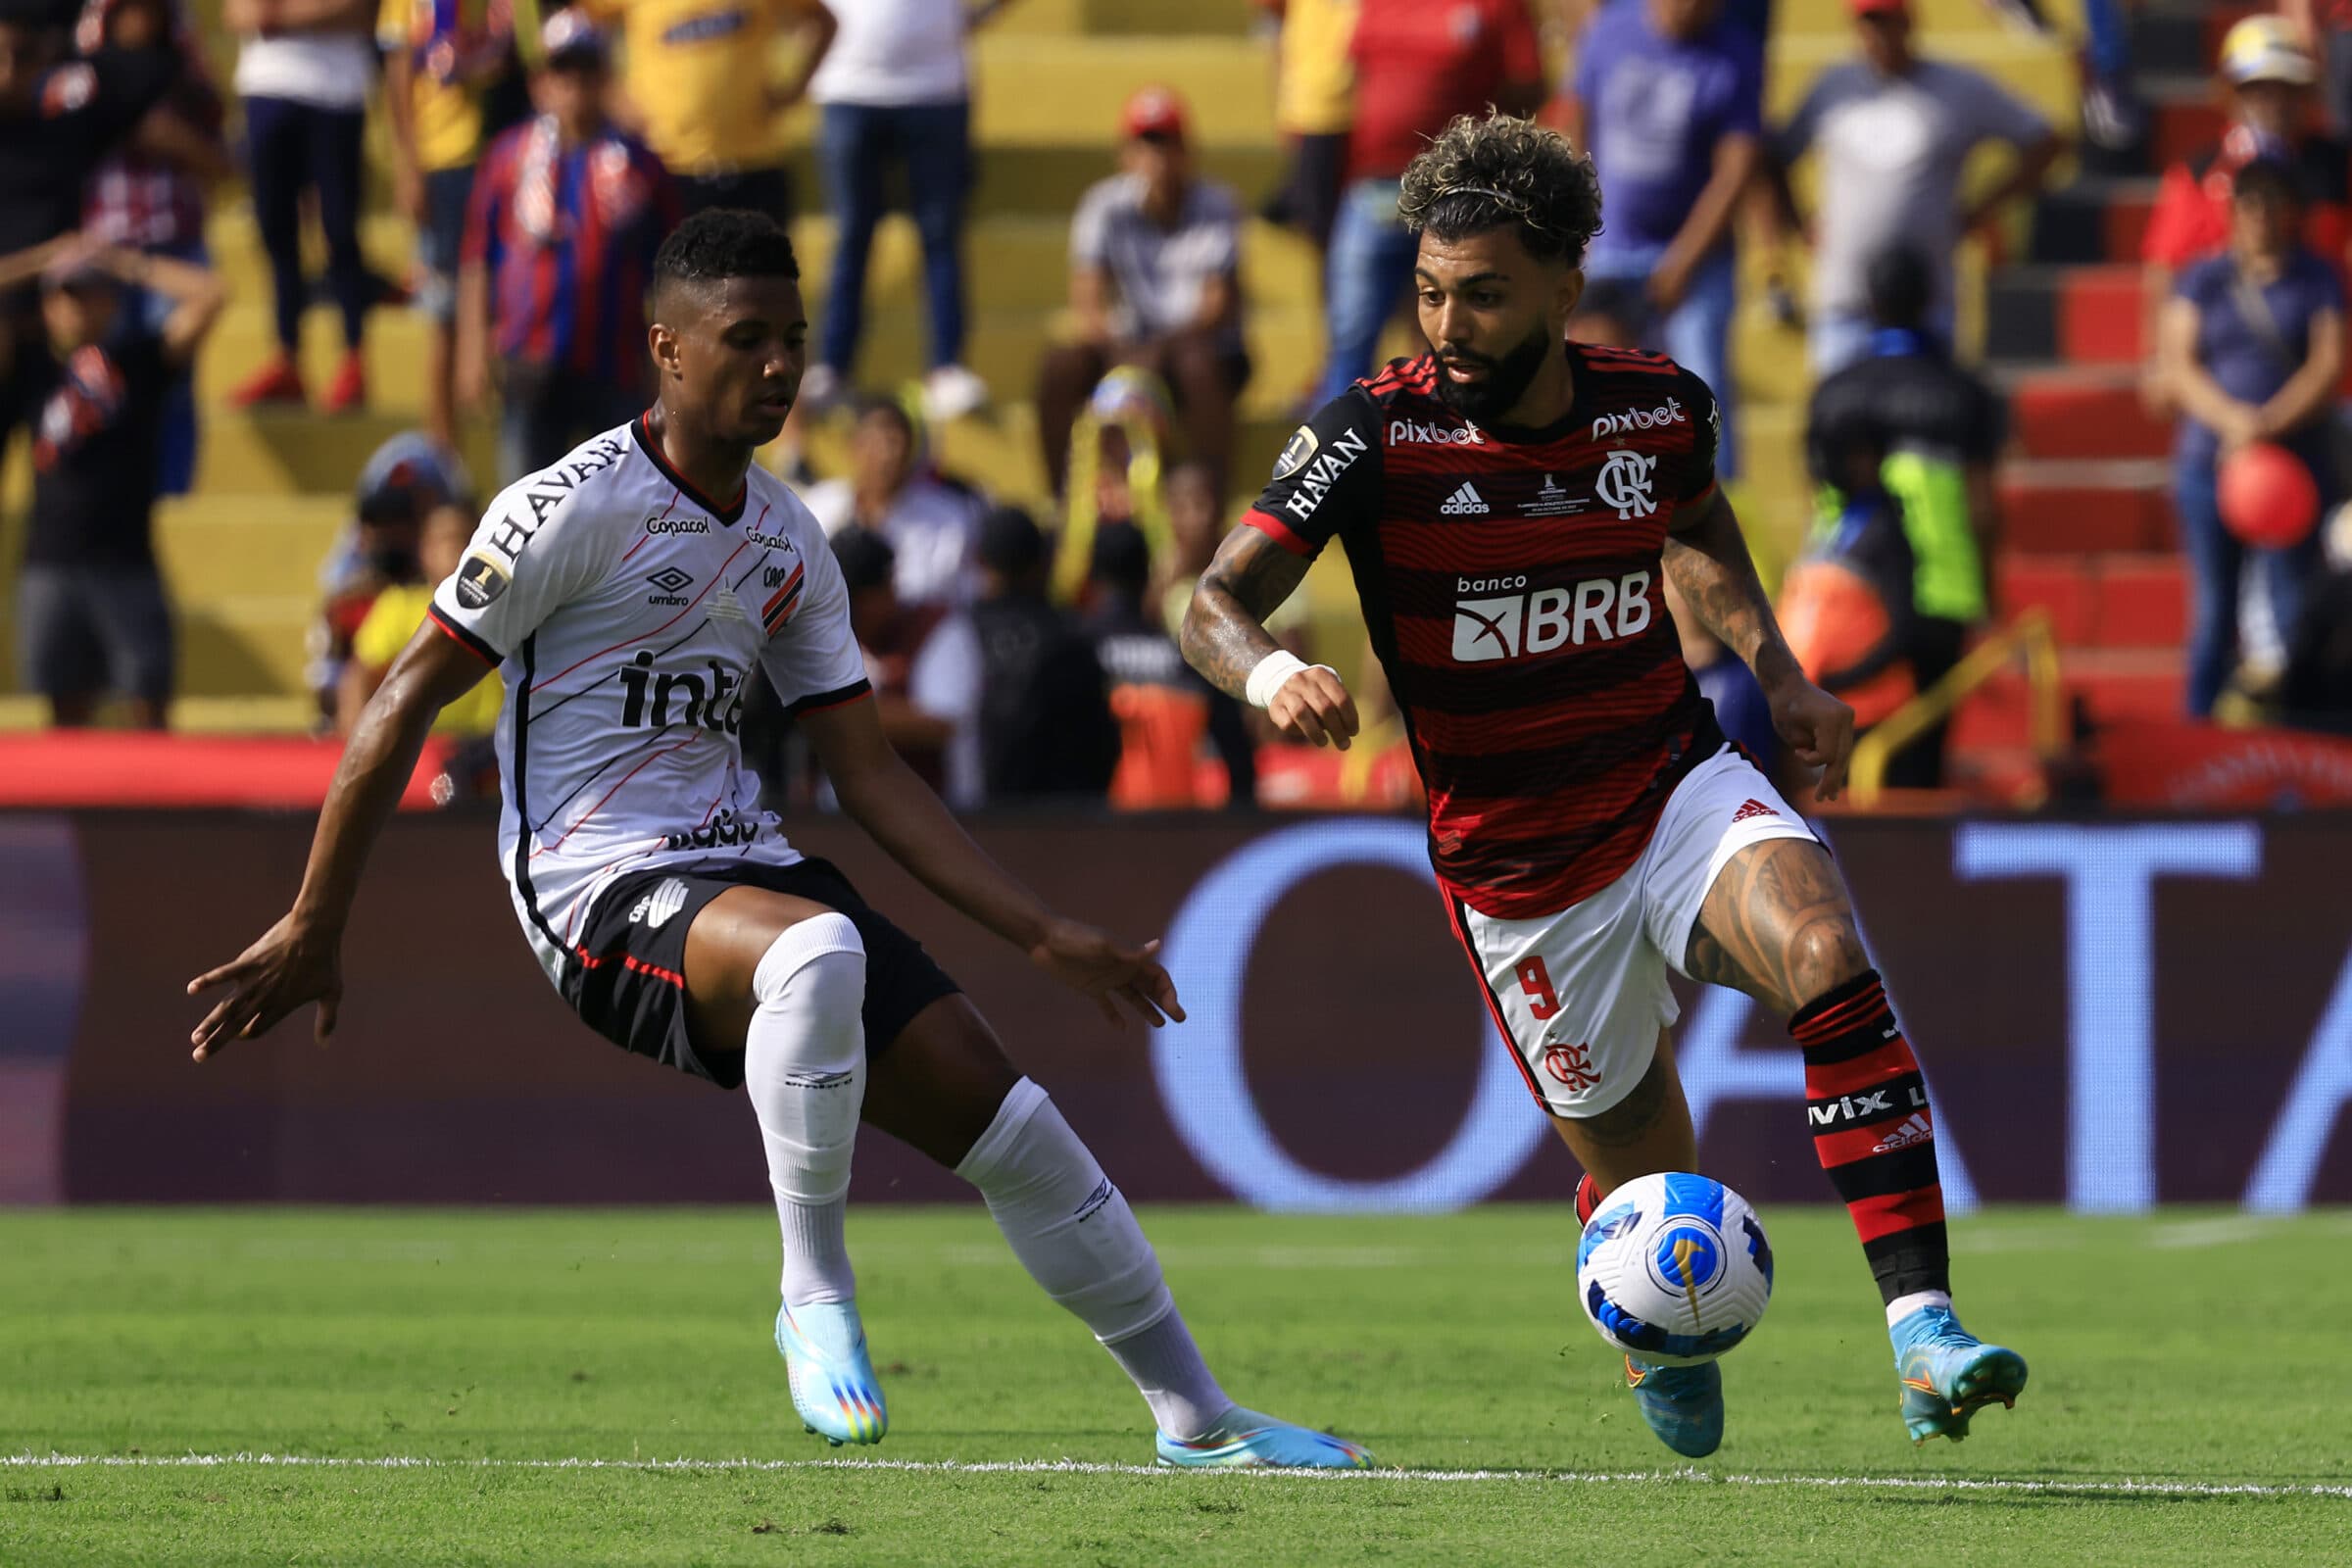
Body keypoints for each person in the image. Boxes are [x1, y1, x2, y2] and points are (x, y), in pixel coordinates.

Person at [187, 207, 1366, 1471]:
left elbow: (870, 774)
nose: (778, 366)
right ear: (668, 351)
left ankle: (1197, 1419)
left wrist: (1045, 933)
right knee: (817, 959)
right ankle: (813, 1294)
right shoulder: (566, 508)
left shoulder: (787, 538)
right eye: (743, 338)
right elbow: (402, 699)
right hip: (593, 890)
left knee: (1016, 1124)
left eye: (792, 339)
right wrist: (317, 918)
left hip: (738, 865)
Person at [1182, 111, 2026, 1458]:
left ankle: (1923, 1332)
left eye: (1484, 296)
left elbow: (1689, 523)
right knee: (1657, 1202)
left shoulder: (1656, 407)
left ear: (1566, 286)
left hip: (1671, 785)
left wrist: (1783, 671)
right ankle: (1657, 1331)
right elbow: (1210, 597)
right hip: (1522, 875)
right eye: (1431, 294)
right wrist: (1267, 670)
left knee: (1820, 939)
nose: (1448, 326)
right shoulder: (1370, 439)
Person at [1801, 245, 2005, 785]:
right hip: (1941, 594)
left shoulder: (1833, 389)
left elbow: (1817, 499)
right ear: (1931, 300)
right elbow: (1982, 505)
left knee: (1848, 752)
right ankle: (1914, 860)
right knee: (1921, 754)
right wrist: (1989, 595)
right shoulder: (1964, 391)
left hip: (1850, 590)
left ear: (1868, 302)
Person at [1771, 0, 2063, 374]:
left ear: (1908, 23)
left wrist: (1981, 209)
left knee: (1929, 423)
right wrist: (1799, 224)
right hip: (1845, 302)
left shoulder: (1958, 87)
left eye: (1887, 23)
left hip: (1929, 304)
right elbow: (1774, 159)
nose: (1878, 36)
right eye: (1869, 25)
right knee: (1842, 421)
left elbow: (2044, 141)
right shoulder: (1833, 86)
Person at [4, 233, 223, 727]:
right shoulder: (31, 369)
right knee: (64, 721)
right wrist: (41, 258)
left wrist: (126, 264)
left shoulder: (140, 361)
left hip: (128, 564)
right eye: (66, 294)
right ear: (48, 306)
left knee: (149, 708)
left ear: (112, 300)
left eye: (91, 291)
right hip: (51, 564)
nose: (79, 306)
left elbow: (212, 295)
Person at [458, 10, 680, 485]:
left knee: (619, 507)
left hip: (614, 361)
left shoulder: (640, 164)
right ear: (541, 81)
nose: (575, 84)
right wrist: (473, 350)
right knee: (528, 508)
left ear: (605, 78)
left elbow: (672, 268)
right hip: (529, 363)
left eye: (586, 70)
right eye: (563, 71)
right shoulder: (509, 158)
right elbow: (478, 258)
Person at [2161, 157, 2343, 719]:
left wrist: (2268, 425)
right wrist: (2233, 422)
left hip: (2293, 460)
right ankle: (2196, 734)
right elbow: (2178, 362)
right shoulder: (2204, 277)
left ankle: (2297, 728)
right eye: (2250, 202)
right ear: (2233, 210)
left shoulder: (2317, 277)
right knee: (2214, 607)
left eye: (2273, 201)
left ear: (2292, 212)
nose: (2261, 214)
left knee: (2295, 602)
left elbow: (2327, 363)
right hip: (2211, 462)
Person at [1562, 0, 1763, 481]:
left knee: (1703, 387)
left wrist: (1685, 260)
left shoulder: (1735, 52)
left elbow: (1736, 169)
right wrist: (1579, 224)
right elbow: (1574, 123)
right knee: (1582, 384)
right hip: (1608, 248)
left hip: (1697, 261)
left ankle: (1721, 517)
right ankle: (1581, 502)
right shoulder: (1610, 31)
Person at [1314, 0, 1543, 404]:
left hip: (1457, 195)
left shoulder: (1498, 6)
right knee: (1350, 334)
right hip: (1373, 192)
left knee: (1452, 336)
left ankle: (1453, 451)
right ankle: (1337, 455)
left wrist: (1480, 162)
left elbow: (1527, 85)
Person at [1036, 86, 1249, 499]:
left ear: (1187, 152)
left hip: (1195, 347)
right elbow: (1087, 300)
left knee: (1197, 364)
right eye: (1146, 144)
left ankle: (1210, 503)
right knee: (1060, 366)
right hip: (1129, 344)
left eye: (1166, 143)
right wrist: (1124, 351)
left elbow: (1216, 307)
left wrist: (1152, 352)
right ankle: (1063, 500)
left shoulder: (1218, 204)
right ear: (1125, 155)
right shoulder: (1103, 205)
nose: (1157, 158)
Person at [2141, 16, 2347, 414]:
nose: (2274, 102)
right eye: (2258, 90)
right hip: (2228, 373)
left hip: (2327, 366)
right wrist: (2158, 360)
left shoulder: (2336, 167)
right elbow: (2165, 270)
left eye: (2287, 89)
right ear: (2229, 94)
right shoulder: (2198, 174)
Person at [0, 0, 178, 457]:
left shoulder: (65, 124)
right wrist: (48, 257)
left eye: (19, 55)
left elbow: (147, 71)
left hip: (58, 345)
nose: (6, 71)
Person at [804, 0, 994, 423]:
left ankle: (946, 365)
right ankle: (833, 365)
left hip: (935, 86)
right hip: (848, 83)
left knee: (940, 232)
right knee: (853, 232)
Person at [74, 0, 227, 499]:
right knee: (99, 376)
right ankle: (102, 492)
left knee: (174, 385)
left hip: (175, 248)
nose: (140, 19)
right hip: (103, 254)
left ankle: (170, 495)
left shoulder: (186, 80)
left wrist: (173, 139)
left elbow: (223, 161)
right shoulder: (81, 81)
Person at [220, 0, 376, 414]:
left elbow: (363, 12)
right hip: (266, 89)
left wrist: (278, 15)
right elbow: (237, 13)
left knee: (340, 230)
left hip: (336, 92)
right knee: (275, 229)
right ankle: (287, 358)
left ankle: (353, 358)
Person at [378, 0, 518, 453]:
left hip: (511, 156)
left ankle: (517, 464)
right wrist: (407, 163)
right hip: (443, 162)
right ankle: (444, 464)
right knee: (443, 315)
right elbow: (398, 69)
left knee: (513, 315)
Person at [586, 0, 834, 223]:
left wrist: (793, 91)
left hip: (755, 162)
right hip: (670, 166)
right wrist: (612, 97)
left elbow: (823, 21)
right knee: (675, 272)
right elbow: (583, 25)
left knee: (762, 271)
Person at [311, 429, 472, 722]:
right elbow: (337, 690)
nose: (393, 537)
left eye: (405, 523)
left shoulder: (493, 599)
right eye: (384, 524)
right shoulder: (358, 606)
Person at [970, 505, 1121, 803]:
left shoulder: (959, 634)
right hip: (1061, 819)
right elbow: (1103, 744)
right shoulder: (1071, 637)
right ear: (1042, 561)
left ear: (980, 561)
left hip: (971, 819)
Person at [831, 521, 974, 803]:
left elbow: (940, 722)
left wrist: (828, 713)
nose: (845, 611)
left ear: (888, 588)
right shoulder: (827, 635)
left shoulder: (937, 629)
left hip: (935, 811)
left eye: (856, 600)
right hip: (836, 817)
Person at [338, 499, 502, 739]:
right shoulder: (399, 606)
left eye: (465, 538)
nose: (455, 549)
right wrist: (355, 747)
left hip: (492, 751)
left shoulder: (505, 604)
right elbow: (358, 678)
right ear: (425, 550)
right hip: (419, 752)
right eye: (445, 539)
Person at [802, 394, 987, 607]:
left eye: (897, 442)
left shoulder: (950, 519)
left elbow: (959, 597)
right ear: (854, 445)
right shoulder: (818, 506)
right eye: (879, 441)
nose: (889, 455)